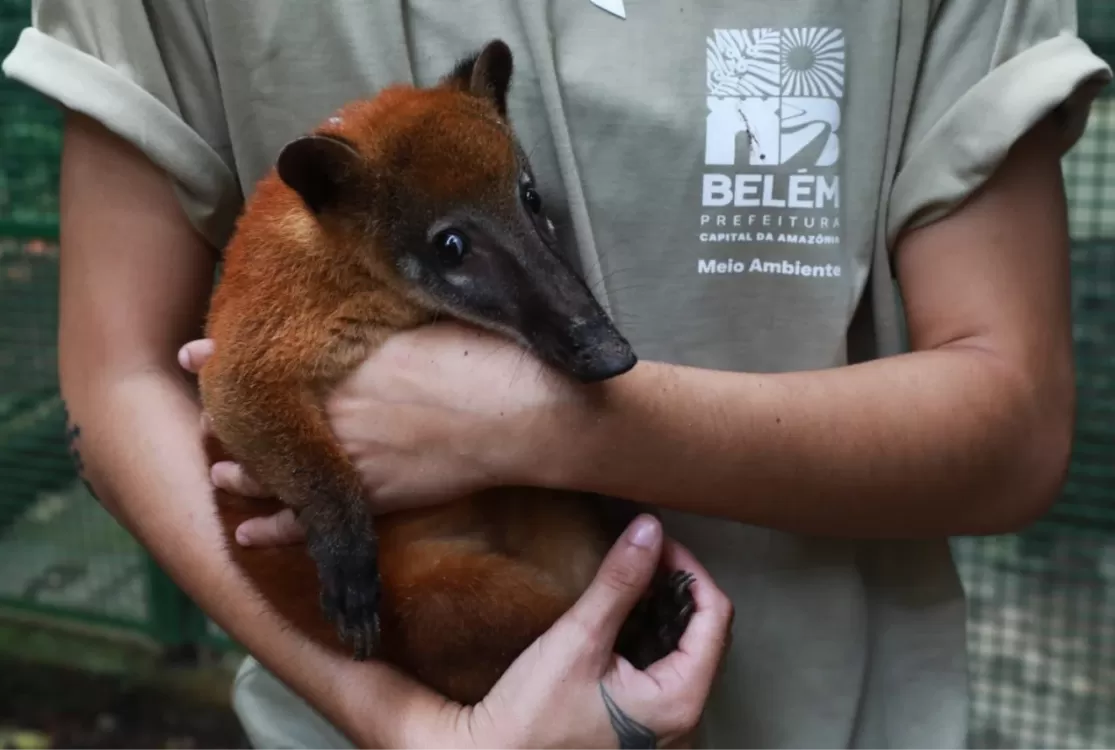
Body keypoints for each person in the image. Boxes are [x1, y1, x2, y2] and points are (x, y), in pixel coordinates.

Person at [3, 1, 1112, 748]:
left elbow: (1016, 426)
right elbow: (132, 377)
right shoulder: (314, 238)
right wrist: (407, 724)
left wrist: (533, 422)